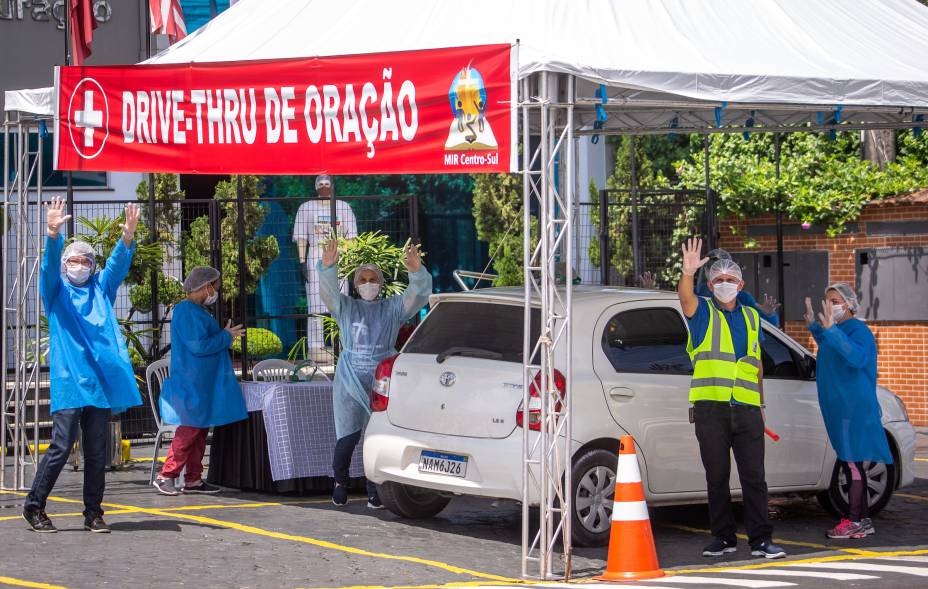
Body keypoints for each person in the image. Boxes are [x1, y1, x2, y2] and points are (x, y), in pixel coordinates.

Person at [23, 197, 142, 534]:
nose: (79, 265)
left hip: (99, 384)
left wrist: (127, 237)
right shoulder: (56, 292)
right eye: (72, 260)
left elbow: (117, 267)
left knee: (96, 452)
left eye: (84, 261)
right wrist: (52, 234)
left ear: (92, 265)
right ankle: (34, 506)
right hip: (69, 380)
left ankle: (93, 513)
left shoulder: (100, 289)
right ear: (65, 265)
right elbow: (47, 268)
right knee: (61, 446)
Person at [678, 237, 786, 559]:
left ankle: (761, 540)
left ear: (741, 284)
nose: (725, 284)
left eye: (730, 280)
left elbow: (757, 367)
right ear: (710, 285)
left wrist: (762, 406)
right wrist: (687, 272)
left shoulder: (753, 318)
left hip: (748, 409)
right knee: (717, 477)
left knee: (755, 477)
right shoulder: (702, 312)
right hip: (711, 409)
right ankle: (723, 538)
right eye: (719, 280)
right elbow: (685, 300)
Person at [319, 238, 432, 508]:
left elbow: (417, 296)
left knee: (376, 436)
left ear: (380, 284)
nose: (368, 283)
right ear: (356, 285)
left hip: (381, 378)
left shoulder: (392, 308)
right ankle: (340, 483)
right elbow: (329, 293)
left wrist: (417, 272)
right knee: (347, 436)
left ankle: (374, 489)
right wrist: (327, 268)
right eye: (363, 279)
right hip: (349, 377)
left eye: (373, 279)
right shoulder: (345, 307)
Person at [804, 285, 893, 539]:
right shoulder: (840, 329)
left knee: (852, 464)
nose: (830, 305)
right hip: (840, 408)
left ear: (850, 303)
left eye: (836, 300)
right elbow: (831, 345)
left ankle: (854, 520)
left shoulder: (859, 331)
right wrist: (815, 326)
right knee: (849, 462)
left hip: (853, 409)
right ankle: (863, 520)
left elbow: (856, 357)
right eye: (827, 300)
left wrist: (831, 330)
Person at [152, 266, 247, 496]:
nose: (216, 291)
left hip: (201, 383)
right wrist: (226, 336)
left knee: (199, 430)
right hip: (192, 382)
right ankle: (167, 475)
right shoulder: (186, 311)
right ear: (206, 286)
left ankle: (193, 479)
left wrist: (224, 336)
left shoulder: (196, 311)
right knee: (191, 429)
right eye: (215, 286)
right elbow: (199, 346)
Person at [292, 175, 357, 362]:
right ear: (315, 187)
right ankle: (316, 347)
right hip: (314, 260)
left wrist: (349, 262)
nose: (324, 187)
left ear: (333, 186)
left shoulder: (344, 207)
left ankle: (343, 342)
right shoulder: (306, 208)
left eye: (327, 184)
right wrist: (302, 261)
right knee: (315, 304)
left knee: (341, 301)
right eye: (320, 184)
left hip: (340, 259)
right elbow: (302, 237)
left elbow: (352, 237)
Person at [695, 249, 781, 327]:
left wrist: (768, 314)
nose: (715, 271)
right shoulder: (695, 294)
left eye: (721, 267)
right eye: (710, 267)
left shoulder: (742, 297)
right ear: (705, 269)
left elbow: (770, 327)